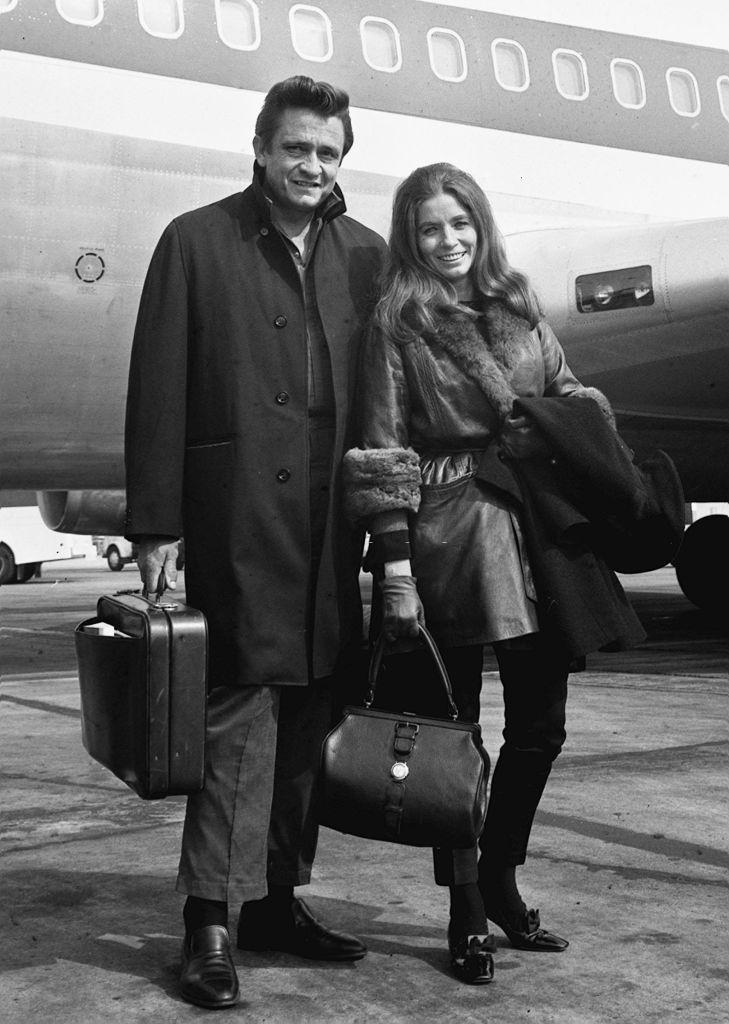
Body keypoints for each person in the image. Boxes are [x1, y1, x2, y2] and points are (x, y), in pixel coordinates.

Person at [343, 163, 645, 986]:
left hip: (541, 534)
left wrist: (561, 416)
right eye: (430, 228)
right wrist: (395, 565)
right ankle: (467, 903)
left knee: (541, 726)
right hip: (453, 533)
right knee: (455, 739)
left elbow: (571, 391)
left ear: (481, 227)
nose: (447, 241)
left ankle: (503, 872)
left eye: (459, 224)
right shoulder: (395, 325)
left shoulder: (517, 305)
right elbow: (382, 453)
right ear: (412, 238)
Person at [124, 76, 387, 1010]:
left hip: (331, 530)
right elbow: (158, 383)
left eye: (328, 152)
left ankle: (277, 901)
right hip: (239, 519)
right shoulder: (197, 241)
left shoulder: (367, 256)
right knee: (237, 723)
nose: (312, 165)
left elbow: (387, 399)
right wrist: (155, 521)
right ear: (262, 150)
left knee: (313, 720)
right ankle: (207, 920)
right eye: (297, 149)